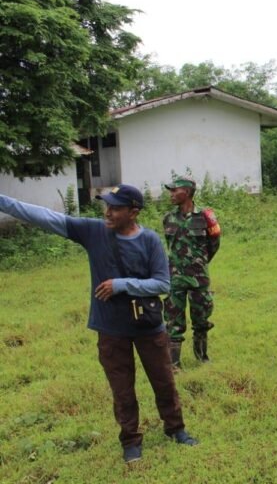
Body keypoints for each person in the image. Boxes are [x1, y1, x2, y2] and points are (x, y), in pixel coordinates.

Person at [0, 185, 198, 463]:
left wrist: (121, 285)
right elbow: (43, 216)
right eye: (107, 206)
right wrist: (2, 201)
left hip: (148, 327)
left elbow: (163, 283)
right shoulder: (93, 231)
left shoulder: (150, 240)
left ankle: (176, 429)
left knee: (164, 381)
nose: (108, 212)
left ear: (133, 212)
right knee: (122, 389)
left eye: (115, 207)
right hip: (111, 328)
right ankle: (130, 440)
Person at [162, 177, 221, 369]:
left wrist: (199, 263)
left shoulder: (205, 216)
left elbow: (214, 244)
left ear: (186, 192)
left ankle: (202, 358)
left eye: (174, 190)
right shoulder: (168, 218)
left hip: (198, 278)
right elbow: (170, 245)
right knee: (173, 320)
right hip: (175, 278)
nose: (171, 194)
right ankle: (174, 364)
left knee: (201, 318)